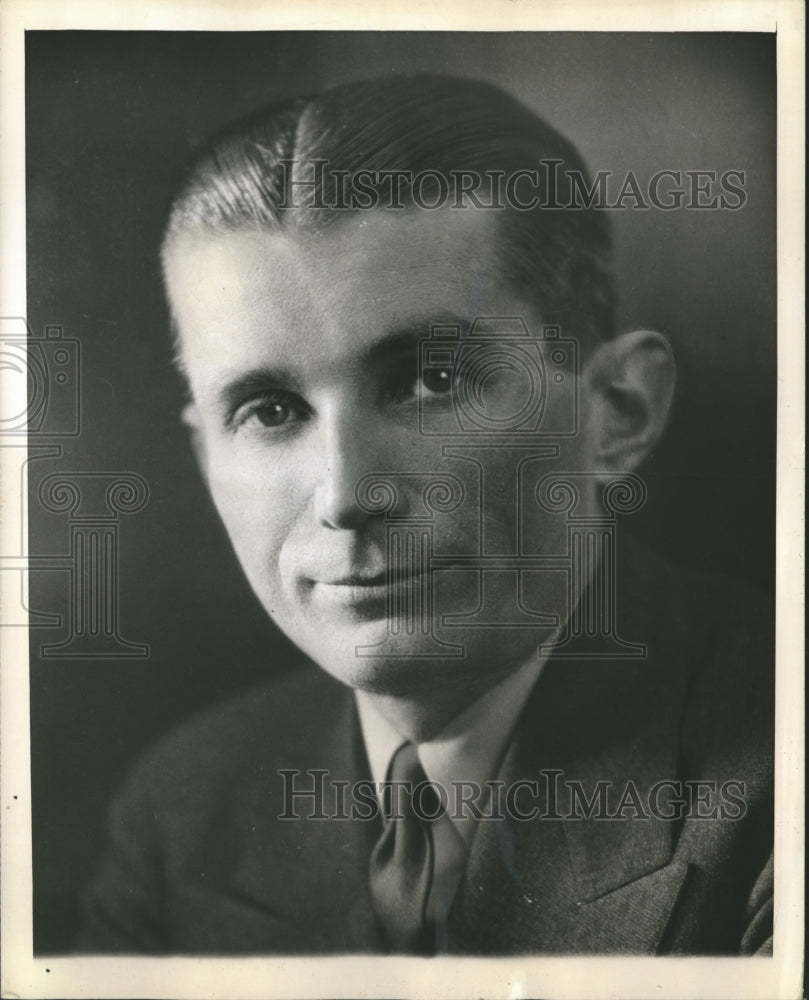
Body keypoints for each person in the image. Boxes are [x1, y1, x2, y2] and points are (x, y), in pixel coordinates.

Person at [78, 75, 773, 956]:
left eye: (431, 380)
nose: (343, 495)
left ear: (615, 412)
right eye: (270, 411)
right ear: (203, 453)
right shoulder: (184, 810)